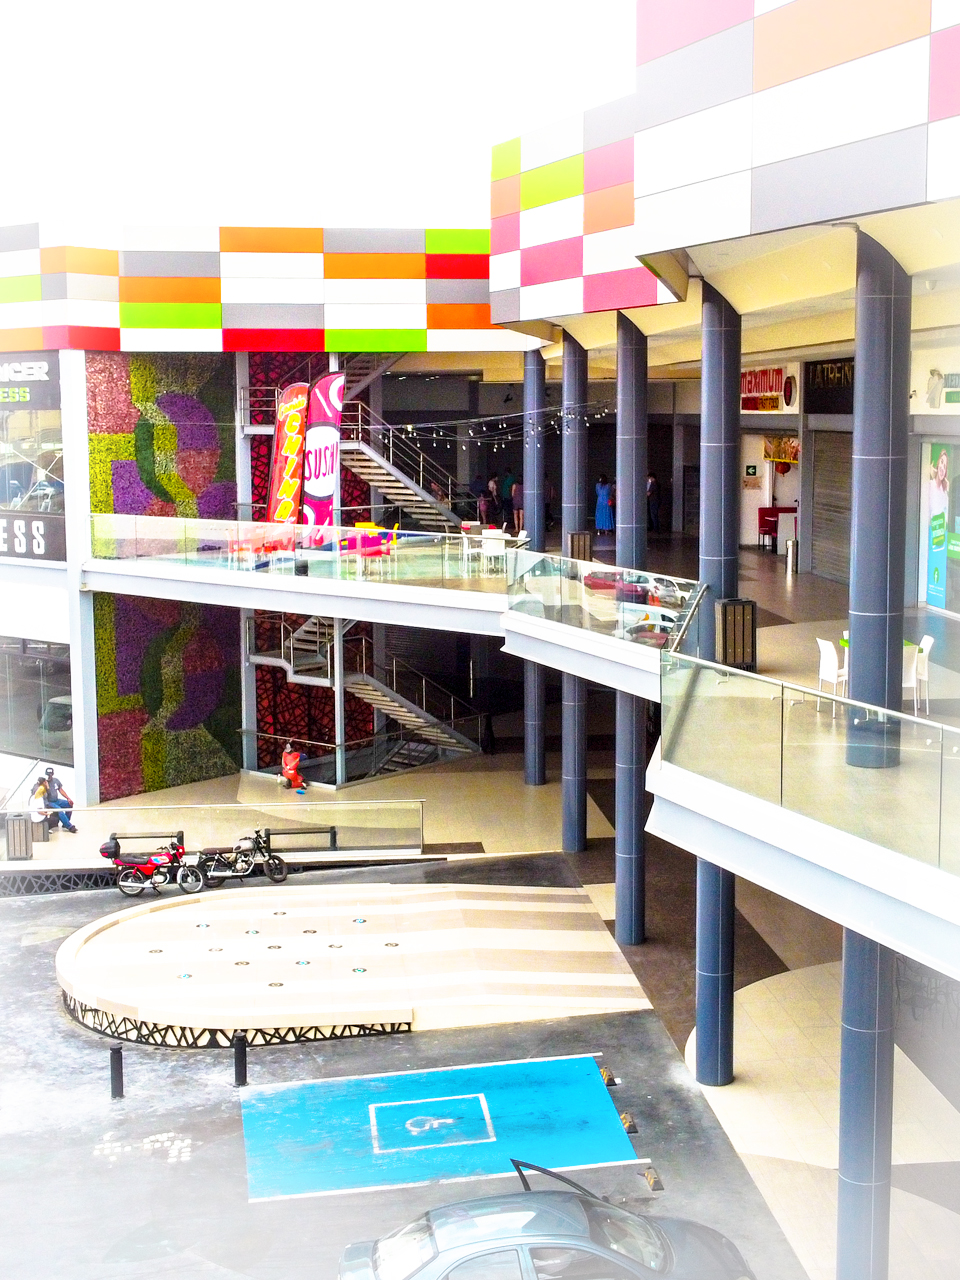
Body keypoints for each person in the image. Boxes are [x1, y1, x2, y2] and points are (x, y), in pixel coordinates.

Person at [501, 467, 516, 532]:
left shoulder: (511, 479)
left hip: (508, 497)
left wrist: (511, 495)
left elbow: (511, 487)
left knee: (509, 510)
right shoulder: (507, 478)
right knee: (507, 510)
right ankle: (508, 522)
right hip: (505, 496)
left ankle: (510, 522)